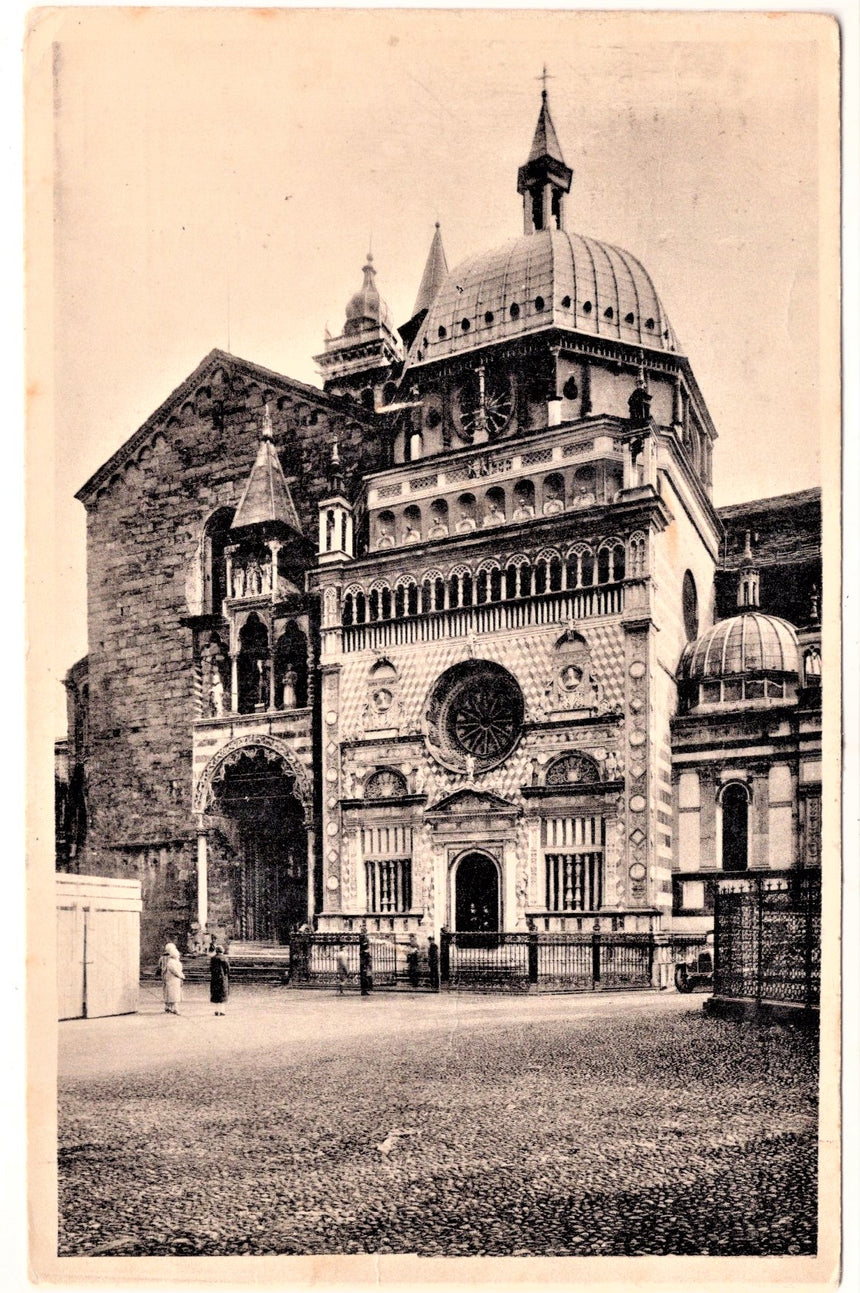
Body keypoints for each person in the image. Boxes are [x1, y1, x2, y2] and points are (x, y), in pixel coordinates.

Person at [159, 942, 184, 1015]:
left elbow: (160, 965)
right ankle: (173, 1007)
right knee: (172, 992)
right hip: (172, 977)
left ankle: (167, 1006)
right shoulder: (173, 960)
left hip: (165, 975)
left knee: (166, 991)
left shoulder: (162, 957)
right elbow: (176, 970)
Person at [210, 944, 230, 1016]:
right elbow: (227, 968)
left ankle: (216, 1010)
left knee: (216, 995)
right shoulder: (224, 958)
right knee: (222, 995)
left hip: (214, 978)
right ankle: (222, 1011)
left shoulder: (213, 958)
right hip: (222, 978)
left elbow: (211, 968)